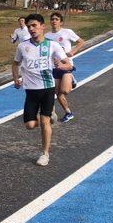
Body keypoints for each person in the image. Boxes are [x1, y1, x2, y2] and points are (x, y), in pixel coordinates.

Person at [12, 14, 72, 167]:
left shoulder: (53, 45)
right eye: (29, 26)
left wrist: (60, 66)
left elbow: (68, 65)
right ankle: (46, 118)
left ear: (42, 26)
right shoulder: (22, 46)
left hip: (47, 88)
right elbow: (15, 64)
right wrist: (16, 79)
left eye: (34, 25)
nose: (31, 29)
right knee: (30, 125)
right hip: (30, 91)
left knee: (45, 121)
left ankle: (45, 154)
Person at [44, 12, 84, 122]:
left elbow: (81, 42)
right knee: (57, 92)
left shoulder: (67, 32)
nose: (54, 21)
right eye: (52, 19)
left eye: (56, 19)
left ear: (61, 22)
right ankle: (68, 112)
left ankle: (71, 78)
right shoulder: (47, 36)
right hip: (54, 67)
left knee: (65, 90)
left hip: (66, 65)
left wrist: (72, 51)